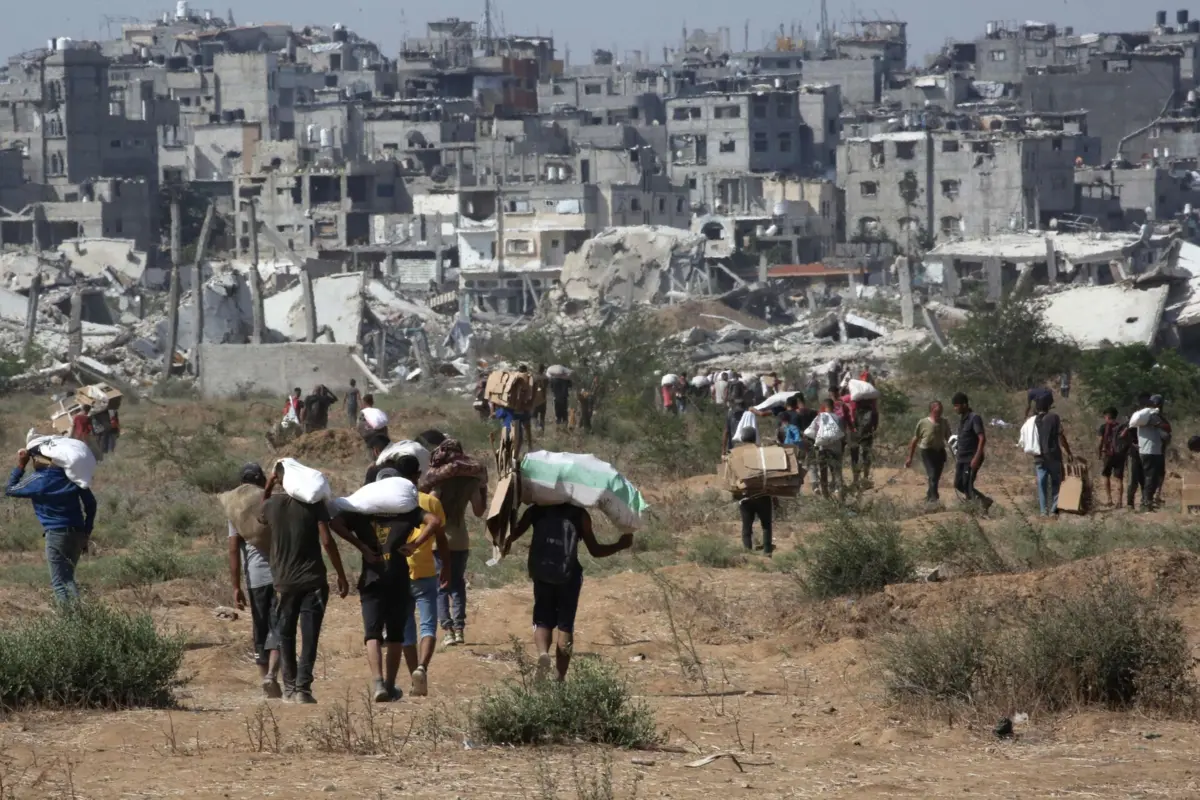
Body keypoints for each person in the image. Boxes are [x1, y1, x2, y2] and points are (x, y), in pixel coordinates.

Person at [259, 462, 373, 703]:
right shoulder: (313, 506)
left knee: (285, 632)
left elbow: (261, 514)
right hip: (313, 580)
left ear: (280, 480)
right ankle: (303, 689)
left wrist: (268, 487)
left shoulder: (271, 505)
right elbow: (327, 541)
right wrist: (341, 574)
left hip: (284, 581)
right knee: (310, 635)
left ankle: (289, 688)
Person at [503, 503, 633, 681]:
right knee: (565, 625)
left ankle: (543, 654)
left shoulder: (536, 510)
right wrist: (620, 545)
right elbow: (595, 551)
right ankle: (560, 678)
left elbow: (511, 536)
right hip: (569, 576)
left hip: (542, 574)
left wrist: (509, 514)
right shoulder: (580, 515)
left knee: (542, 619)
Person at [344, 470, 441, 702]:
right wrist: (415, 544)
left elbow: (335, 522)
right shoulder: (407, 511)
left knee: (372, 633)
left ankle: (377, 683)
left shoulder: (362, 512)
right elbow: (434, 522)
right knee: (396, 635)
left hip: (371, 578)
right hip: (398, 578)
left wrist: (361, 546)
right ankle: (389, 685)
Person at [6, 446, 97, 603]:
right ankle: (79, 619)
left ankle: (70, 621)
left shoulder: (38, 479)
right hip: (77, 532)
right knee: (68, 578)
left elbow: (10, 489)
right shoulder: (72, 477)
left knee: (59, 582)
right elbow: (91, 504)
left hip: (56, 534)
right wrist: (86, 532)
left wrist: (21, 465)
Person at [420, 437, 487, 647]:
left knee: (441, 586)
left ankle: (447, 630)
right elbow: (478, 511)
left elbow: (431, 508)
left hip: (439, 541)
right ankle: (459, 629)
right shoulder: (472, 481)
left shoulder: (438, 482)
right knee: (458, 584)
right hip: (461, 539)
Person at [392, 455, 450, 697]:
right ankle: (422, 668)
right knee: (428, 624)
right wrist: (446, 565)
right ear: (417, 476)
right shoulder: (430, 502)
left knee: (406, 628)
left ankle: (413, 675)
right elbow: (442, 537)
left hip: (399, 572)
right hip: (425, 570)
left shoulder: (390, 503)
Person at [227, 463, 282, 698]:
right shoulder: (274, 505)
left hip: (256, 578)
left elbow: (232, 551)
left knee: (260, 628)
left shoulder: (236, 512)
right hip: (281, 575)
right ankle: (273, 675)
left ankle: (264, 680)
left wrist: (236, 587)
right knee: (279, 626)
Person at [1031, 393, 1074, 516]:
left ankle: (1043, 511)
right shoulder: (1054, 417)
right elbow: (1061, 436)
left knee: (1041, 483)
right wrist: (1068, 452)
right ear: (1049, 406)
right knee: (1056, 482)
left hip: (1038, 456)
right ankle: (1054, 510)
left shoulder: (1032, 420)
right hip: (1053, 454)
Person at [734, 427, 774, 555]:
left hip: (745, 496)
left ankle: (747, 552)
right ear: (754, 437)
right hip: (763, 494)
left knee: (747, 527)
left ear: (742, 437)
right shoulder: (762, 453)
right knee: (766, 525)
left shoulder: (735, 453)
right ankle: (767, 551)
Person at [951, 392, 993, 512]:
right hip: (961, 458)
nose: (955, 408)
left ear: (964, 405)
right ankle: (983, 501)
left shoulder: (974, 418)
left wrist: (976, 457)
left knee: (967, 485)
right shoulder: (962, 420)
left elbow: (982, 438)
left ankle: (976, 508)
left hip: (972, 457)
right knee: (958, 484)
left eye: (957, 405)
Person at [905, 400, 953, 504]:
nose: (940, 412)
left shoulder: (944, 422)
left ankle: (929, 496)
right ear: (932, 410)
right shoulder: (923, 423)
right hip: (927, 451)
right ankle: (934, 499)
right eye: (937, 410)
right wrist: (910, 457)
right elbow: (915, 440)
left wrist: (956, 450)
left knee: (936, 476)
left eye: (941, 410)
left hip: (940, 451)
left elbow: (949, 438)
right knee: (932, 475)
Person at [1132, 394, 1170, 512]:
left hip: (1150, 450)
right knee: (1150, 478)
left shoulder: (1146, 416)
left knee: (1152, 477)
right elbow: (1166, 428)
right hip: (1150, 450)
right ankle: (1146, 503)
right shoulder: (1152, 416)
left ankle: (1148, 501)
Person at [805, 399, 845, 501]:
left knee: (823, 472)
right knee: (836, 472)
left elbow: (813, 432)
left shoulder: (820, 418)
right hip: (836, 449)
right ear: (833, 407)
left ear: (824, 406)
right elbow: (842, 433)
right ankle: (839, 494)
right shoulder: (839, 418)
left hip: (823, 449)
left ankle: (825, 496)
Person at [844, 390, 880, 487]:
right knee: (866, 455)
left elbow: (841, 400)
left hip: (854, 431)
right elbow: (876, 416)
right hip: (867, 432)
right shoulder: (871, 402)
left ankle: (855, 480)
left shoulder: (851, 399)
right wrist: (874, 428)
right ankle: (865, 479)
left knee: (854, 456)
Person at [1097, 407, 1128, 508]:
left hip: (1108, 455)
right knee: (1119, 479)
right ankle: (1119, 501)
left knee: (1106, 476)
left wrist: (1099, 452)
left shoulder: (1103, 427)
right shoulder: (1121, 427)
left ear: (1107, 416)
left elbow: (1100, 441)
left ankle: (1109, 499)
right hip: (1120, 455)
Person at [532, 365, 549, 433]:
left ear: (537, 369)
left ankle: (538, 427)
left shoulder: (533, 377)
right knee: (542, 416)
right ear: (543, 369)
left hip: (535, 400)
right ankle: (542, 430)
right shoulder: (546, 378)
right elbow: (546, 387)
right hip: (543, 399)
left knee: (534, 416)